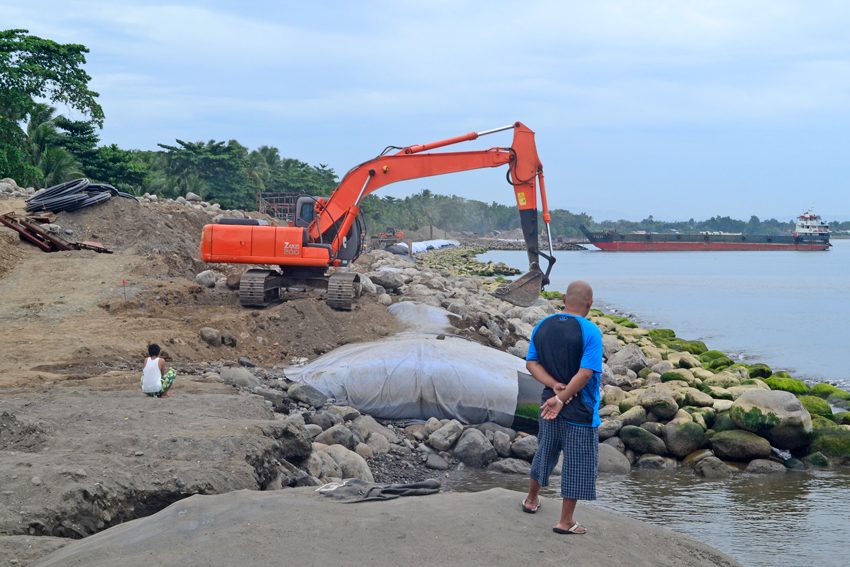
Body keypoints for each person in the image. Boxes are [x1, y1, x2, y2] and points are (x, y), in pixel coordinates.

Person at [520, 280, 603, 535]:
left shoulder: (543, 325)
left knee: (544, 451)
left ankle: (531, 500)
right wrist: (563, 397)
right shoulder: (590, 331)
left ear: (565, 299)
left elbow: (531, 364)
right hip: (580, 409)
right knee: (577, 463)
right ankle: (565, 521)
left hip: (548, 402)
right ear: (589, 304)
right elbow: (586, 374)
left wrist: (554, 387)